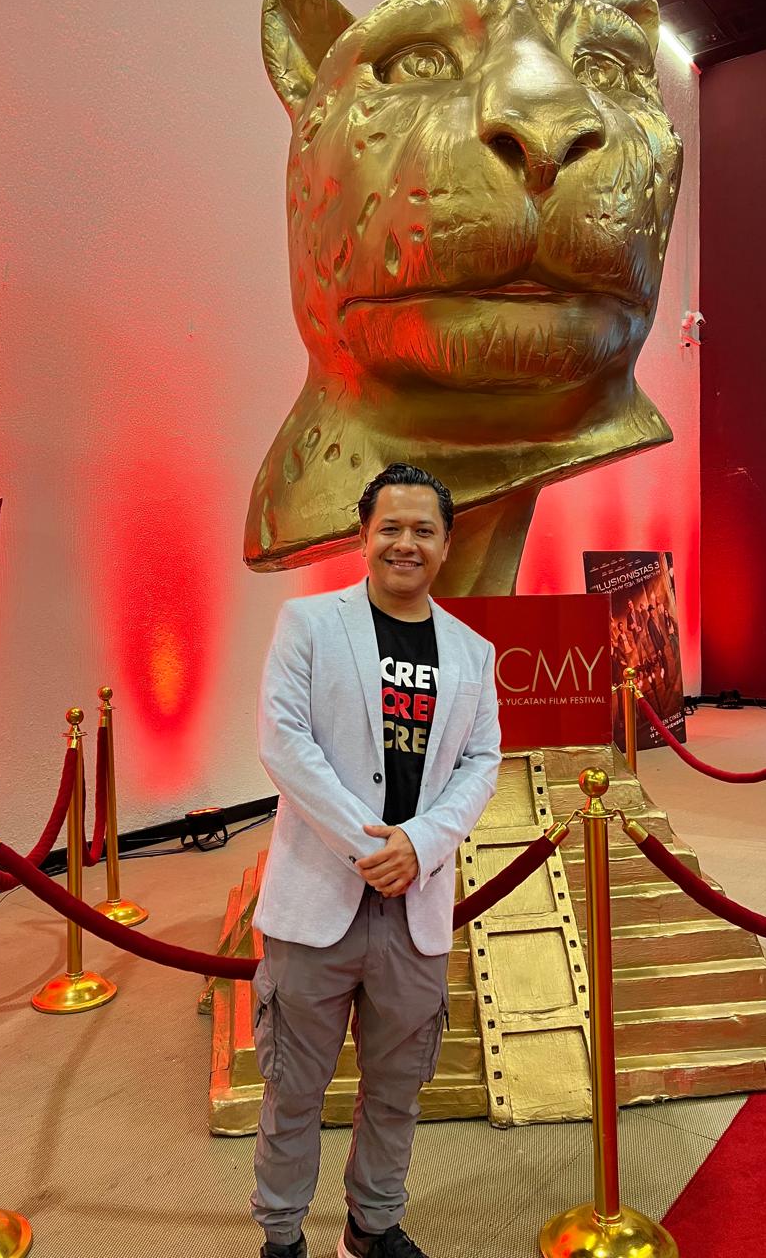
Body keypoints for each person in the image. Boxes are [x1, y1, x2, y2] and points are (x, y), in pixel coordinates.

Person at [251, 463, 501, 1258]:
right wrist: (371, 846)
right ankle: (282, 1238)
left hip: (414, 913)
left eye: (423, 529)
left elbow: (482, 762)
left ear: (446, 543)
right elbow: (284, 742)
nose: (405, 543)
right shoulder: (308, 625)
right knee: (294, 1091)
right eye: (390, 527)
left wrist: (419, 846)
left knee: (397, 1093)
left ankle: (373, 1228)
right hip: (316, 903)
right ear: (363, 536)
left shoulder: (472, 652)